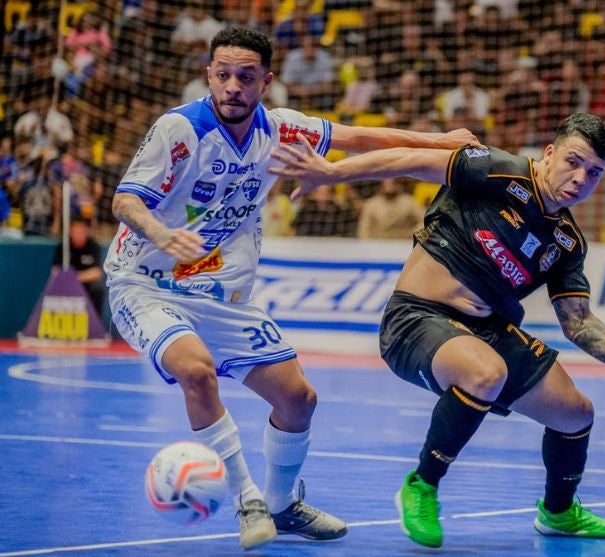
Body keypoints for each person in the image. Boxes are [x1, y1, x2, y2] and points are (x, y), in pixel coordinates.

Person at [104, 26, 478, 551]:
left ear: (266, 81)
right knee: (195, 369)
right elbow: (124, 201)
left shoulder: (280, 128)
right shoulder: (179, 129)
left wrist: (439, 141)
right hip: (143, 284)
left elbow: (359, 137)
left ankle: (280, 506)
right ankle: (248, 501)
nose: (233, 86)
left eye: (246, 76)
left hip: (219, 294)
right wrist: (162, 233)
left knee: (299, 399)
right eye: (223, 74)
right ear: (209, 74)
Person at [270, 113, 605, 548]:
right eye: (573, 162)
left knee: (575, 413)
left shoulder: (567, 243)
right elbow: (409, 159)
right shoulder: (498, 170)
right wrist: (332, 173)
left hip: (487, 328)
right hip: (416, 318)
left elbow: (578, 323)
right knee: (485, 373)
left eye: (594, 172)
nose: (580, 178)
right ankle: (422, 486)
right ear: (549, 154)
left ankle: (558, 513)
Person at [53, 216, 105, 314]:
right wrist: (69, 279)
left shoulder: (93, 246)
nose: (79, 234)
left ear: (86, 231)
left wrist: (75, 277)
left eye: (81, 231)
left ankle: (94, 320)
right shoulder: (63, 247)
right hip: (66, 284)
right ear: (70, 231)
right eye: (76, 231)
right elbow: (55, 271)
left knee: (98, 290)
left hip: (86, 285)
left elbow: (96, 273)